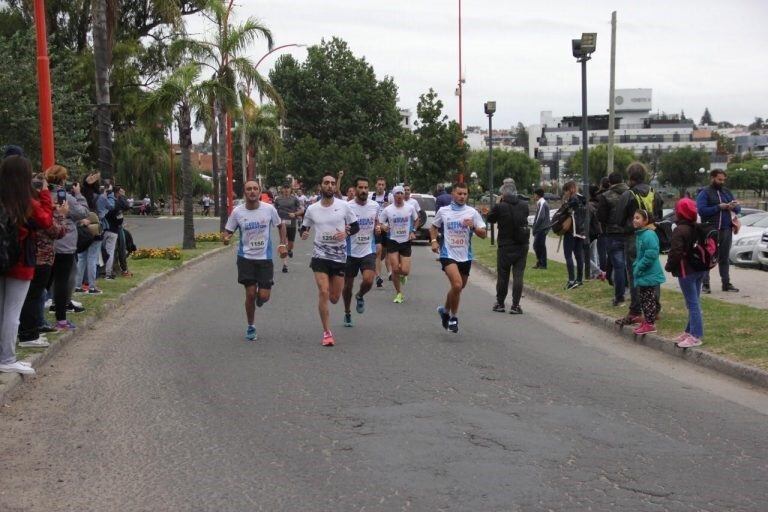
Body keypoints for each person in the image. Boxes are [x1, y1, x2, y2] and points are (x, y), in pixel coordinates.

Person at [0, 155, 54, 375]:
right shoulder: (26, 203)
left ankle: (3, 355)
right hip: (21, 261)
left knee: (2, 309)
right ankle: (7, 358)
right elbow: (47, 221)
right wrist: (44, 193)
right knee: (13, 312)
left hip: (2, 259)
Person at [222, 181, 287, 341]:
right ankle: (251, 326)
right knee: (250, 293)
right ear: (244, 192)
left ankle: (261, 298)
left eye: (255, 189)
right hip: (246, 259)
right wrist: (226, 237)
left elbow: (280, 225)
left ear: (259, 192)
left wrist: (282, 243)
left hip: (265, 259)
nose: (252, 191)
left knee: (264, 296)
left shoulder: (269, 209)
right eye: (249, 189)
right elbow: (228, 230)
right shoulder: (238, 212)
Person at [300, 175, 359, 346]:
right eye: (327, 183)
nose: (330, 186)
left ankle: (328, 326)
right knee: (324, 292)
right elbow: (304, 227)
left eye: (333, 184)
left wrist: (346, 233)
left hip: (339, 256)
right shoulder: (312, 209)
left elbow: (355, 226)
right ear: (321, 186)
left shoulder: (344, 206)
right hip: (320, 255)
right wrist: (303, 233)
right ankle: (327, 332)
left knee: (334, 297)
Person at [17, 173, 67, 348]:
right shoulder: (36, 209)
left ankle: (32, 329)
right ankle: (28, 334)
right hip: (40, 257)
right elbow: (56, 231)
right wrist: (61, 215)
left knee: (34, 295)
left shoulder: (25, 205)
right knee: (33, 296)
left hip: (33, 257)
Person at [430, 182, 487, 333]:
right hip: (448, 253)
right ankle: (453, 318)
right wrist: (434, 241)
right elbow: (434, 227)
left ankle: (445, 311)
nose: (462, 197)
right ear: (453, 194)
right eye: (459, 193)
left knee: (459, 287)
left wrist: (473, 227)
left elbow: (484, 234)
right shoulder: (444, 211)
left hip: (465, 255)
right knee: (456, 285)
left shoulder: (472, 212)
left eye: (465, 194)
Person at [616, 162, 664, 326]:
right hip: (652, 236)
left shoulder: (628, 195)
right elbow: (659, 215)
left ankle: (636, 310)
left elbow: (618, 218)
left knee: (635, 273)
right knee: (652, 272)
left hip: (634, 239)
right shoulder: (655, 193)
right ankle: (654, 309)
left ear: (630, 178)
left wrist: (629, 226)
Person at [665, 198, 705, 348]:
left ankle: (695, 336)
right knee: (694, 301)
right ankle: (689, 331)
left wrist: (669, 266)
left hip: (686, 270)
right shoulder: (697, 227)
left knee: (692, 304)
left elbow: (676, 252)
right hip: (699, 268)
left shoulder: (679, 230)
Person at [342, 177, 380, 327]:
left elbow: (377, 222)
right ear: (355, 189)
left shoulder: (375, 206)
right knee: (348, 286)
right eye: (360, 187)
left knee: (369, 280)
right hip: (350, 251)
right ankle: (347, 313)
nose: (363, 190)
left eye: (366, 187)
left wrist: (378, 228)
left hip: (368, 250)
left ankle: (360, 295)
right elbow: (339, 224)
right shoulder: (347, 206)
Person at [487, 181, 529, 314]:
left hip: (505, 246)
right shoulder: (524, 205)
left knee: (503, 276)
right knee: (518, 275)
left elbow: (490, 219)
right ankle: (515, 305)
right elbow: (525, 218)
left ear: (503, 194)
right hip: (521, 245)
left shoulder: (500, 206)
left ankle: (500, 303)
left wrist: (498, 203)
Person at [696, 169, 740, 294]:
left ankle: (726, 284)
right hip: (710, 230)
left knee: (724, 257)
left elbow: (738, 208)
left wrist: (734, 206)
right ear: (712, 178)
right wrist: (718, 207)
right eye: (719, 179)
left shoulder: (726, 192)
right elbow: (701, 210)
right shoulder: (705, 193)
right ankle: (705, 285)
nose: (721, 182)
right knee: (708, 257)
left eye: (723, 180)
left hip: (726, 229)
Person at [379, 185, 418, 304]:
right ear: (394, 196)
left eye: (401, 193)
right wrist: (383, 227)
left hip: (405, 241)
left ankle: (403, 276)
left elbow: (416, 220)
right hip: (393, 240)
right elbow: (380, 222)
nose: (400, 195)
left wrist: (413, 231)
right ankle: (398, 293)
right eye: (397, 194)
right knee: (395, 269)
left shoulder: (410, 208)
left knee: (405, 271)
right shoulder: (388, 210)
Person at [597, 171, 630, 307]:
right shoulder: (631, 193)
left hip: (613, 233)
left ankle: (619, 296)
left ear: (610, 182)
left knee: (618, 266)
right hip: (629, 233)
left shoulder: (606, 196)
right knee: (631, 266)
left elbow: (601, 217)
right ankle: (633, 294)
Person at [631, 208, 665, 335]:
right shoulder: (641, 234)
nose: (634, 220)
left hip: (649, 272)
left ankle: (650, 324)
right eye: (634, 217)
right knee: (644, 298)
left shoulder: (649, 234)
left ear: (645, 221)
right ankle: (647, 321)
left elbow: (651, 254)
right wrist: (637, 264)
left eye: (638, 218)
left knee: (649, 299)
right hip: (643, 272)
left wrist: (639, 266)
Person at [75, 173, 104, 294]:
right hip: (95, 229)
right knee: (92, 257)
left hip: (82, 228)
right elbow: (102, 213)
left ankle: (77, 285)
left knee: (81, 258)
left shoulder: (79, 195)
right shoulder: (99, 196)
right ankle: (92, 286)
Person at [561, 181, 587, 290]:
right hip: (580, 231)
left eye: (566, 191)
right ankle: (579, 279)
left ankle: (571, 280)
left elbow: (564, 212)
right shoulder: (582, 199)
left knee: (568, 255)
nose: (565, 194)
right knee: (579, 256)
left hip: (571, 231)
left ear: (570, 189)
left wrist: (565, 202)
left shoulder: (573, 200)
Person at [273, 183, 304, 273]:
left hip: (292, 224)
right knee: (283, 243)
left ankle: (289, 250)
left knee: (290, 244)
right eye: (284, 188)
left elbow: (302, 210)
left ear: (290, 190)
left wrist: (295, 214)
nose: (286, 190)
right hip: (282, 224)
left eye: (288, 188)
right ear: (282, 190)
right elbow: (273, 211)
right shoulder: (278, 199)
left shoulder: (294, 199)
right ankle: (285, 265)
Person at [371, 177, 393, 287]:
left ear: (385, 186)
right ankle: (378, 277)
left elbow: (396, 209)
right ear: (375, 185)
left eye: (382, 184)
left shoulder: (389, 197)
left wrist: (389, 205)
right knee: (378, 250)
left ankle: (386, 268)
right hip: (376, 227)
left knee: (385, 252)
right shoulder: (371, 197)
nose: (380, 186)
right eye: (378, 184)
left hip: (387, 227)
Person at [531, 188, 550, 270]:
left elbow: (540, 217)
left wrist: (535, 227)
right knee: (537, 245)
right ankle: (540, 262)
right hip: (541, 228)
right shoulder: (540, 202)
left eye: (534, 194)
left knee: (539, 246)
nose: (533, 196)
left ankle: (543, 264)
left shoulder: (542, 203)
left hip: (542, 228)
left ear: (537, 195)